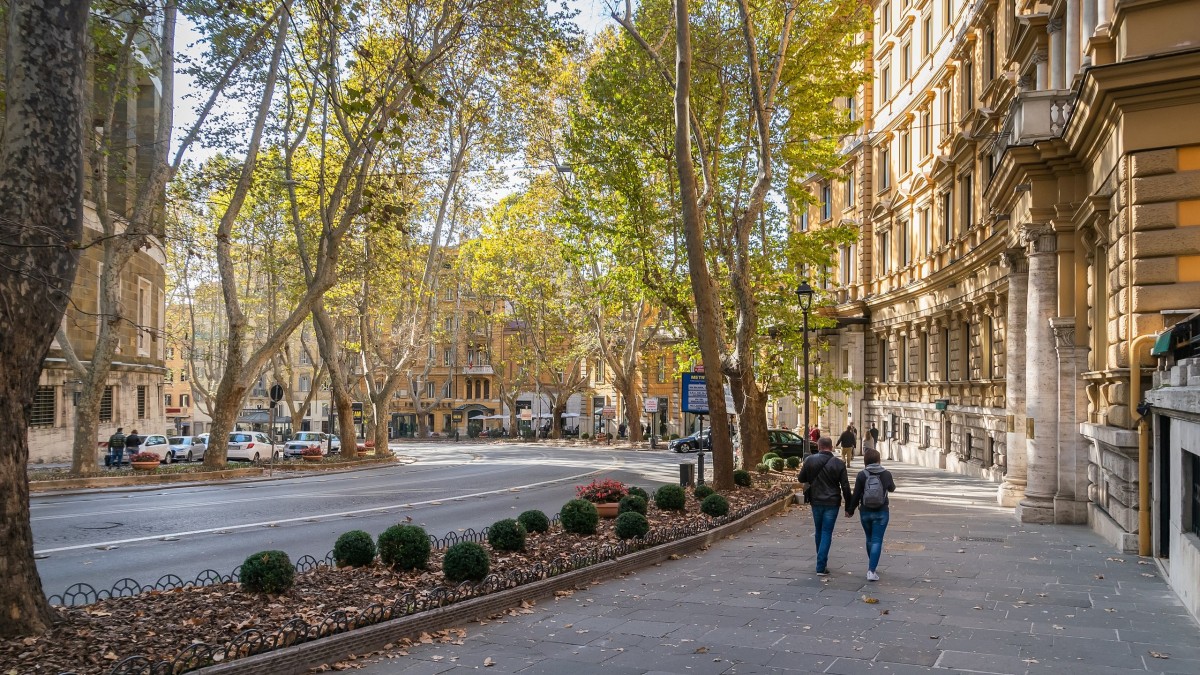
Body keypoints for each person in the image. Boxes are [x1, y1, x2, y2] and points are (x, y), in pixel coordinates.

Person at [797, 436, 853, 576]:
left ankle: (821, 562)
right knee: (827, 532)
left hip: (816, 500)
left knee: (819, 530)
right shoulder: (839, 463)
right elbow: (845, 486)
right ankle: (821, 565)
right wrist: (849, 507)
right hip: (832, 502)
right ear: (831, 447)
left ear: (818, 446)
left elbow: (801, 478)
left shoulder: (809, 460)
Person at [846, 448, 897, 581]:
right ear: (878, 460)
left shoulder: (862, 475)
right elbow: (892, 488)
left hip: (865, 512)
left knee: (869, 539)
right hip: (882, 512)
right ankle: (871, 570)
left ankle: (872, 565)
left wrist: (850, 510)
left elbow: (856, 494)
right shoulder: (886, 474)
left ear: (865, 460)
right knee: (877, 540)